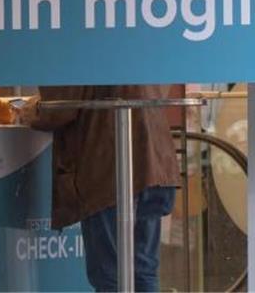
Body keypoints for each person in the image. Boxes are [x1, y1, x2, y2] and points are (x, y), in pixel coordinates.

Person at [22, 85, 180, 292]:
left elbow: (59, 109)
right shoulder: (139, 51)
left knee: (110, 275)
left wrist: (32, 110)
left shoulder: (75, 51)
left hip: (108, 170)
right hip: (154, 161)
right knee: (143, 270)